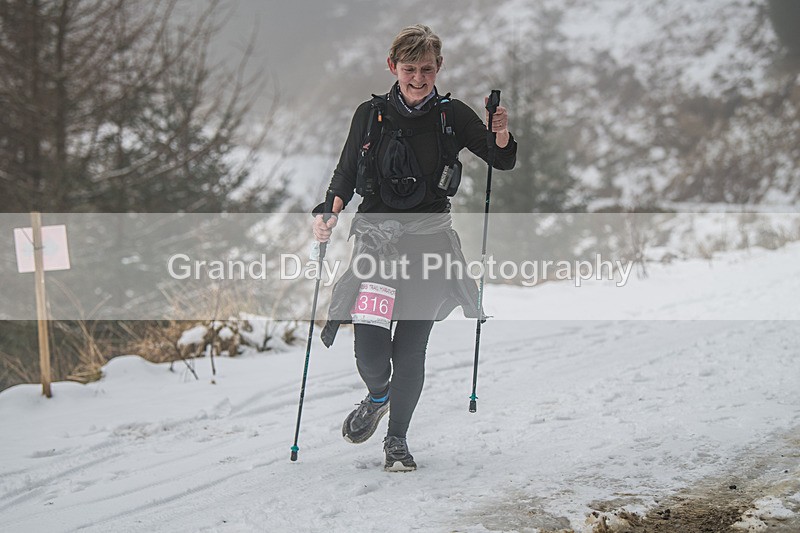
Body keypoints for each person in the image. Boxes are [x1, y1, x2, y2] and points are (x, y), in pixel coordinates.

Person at [312, 24, 517, 472]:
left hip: (429, 249)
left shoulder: (452, 115)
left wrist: (498, 132)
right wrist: (328, 211)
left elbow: (501, 160)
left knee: (410, 349)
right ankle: (378, 395)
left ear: (439, 68)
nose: (419, 78)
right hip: (376, 249)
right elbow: (345, 172)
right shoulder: (369, 115)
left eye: (427, 69)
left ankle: (397, 440)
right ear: (393, 68)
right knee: (369, 349)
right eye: (410, 69)